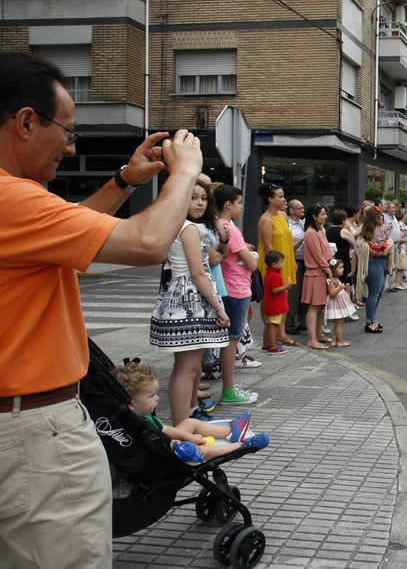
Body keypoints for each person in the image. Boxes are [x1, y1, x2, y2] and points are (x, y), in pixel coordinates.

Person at [0, 52, 209, 566]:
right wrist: (185, 173)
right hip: (34, 432)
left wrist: (124, 181)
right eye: (67, 132)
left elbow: (71, 233)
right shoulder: (13, 199)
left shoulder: (18, 210)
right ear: (26, 122)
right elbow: (147, 243)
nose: (71, 149)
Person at [150, 178, 232, 425]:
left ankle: (185, 420)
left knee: (188, 367)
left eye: (204, 198)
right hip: (190, 300)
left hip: (182, 298)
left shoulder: (181, 226)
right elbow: (198, 273)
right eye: (193, 197)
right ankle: (182, 424)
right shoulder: (188, 229)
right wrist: (219, 307)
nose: (199, 203)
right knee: (187, 369)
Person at [112, 362, 267, 459]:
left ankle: (230, 432)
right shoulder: (134, 425)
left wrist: (189, 437)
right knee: (203, 450)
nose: (157, 398)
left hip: (165, 443)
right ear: (132, 404)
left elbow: (166, 429)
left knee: (189, 422)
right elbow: (148, 449)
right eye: (151, 396)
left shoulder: (144, 416)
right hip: (166, 455)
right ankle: (243, 445)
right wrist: (179, 443)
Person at [214, 185, 269, 387]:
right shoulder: (230, 229)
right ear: (228, 205)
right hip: (236, 287)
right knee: (232, 339)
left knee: (227, 339)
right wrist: (250, 255)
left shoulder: (216, 225)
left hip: (226, 286)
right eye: (239, 203)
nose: (241, 207)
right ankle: (229, 388)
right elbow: (252, 264)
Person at [257, 183, 298, 348]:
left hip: (285, 261)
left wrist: (292, 261)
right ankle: (271, 333)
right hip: (272, 264)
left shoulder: (282, 216)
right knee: (270, 298)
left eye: (283, 196)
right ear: (270, 199)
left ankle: (281, 333)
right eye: (280, 196)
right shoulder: (265, 219)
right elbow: (268, 247)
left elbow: (288, 240)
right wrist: (276, 266)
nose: (283, 199)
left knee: (283, 297)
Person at [354, 206, 394, 333]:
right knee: (374, 292)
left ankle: (372, 319)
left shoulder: (381, 227)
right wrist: (377, 253)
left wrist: (386, 249)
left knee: (380, 291)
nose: (381, 217)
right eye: (378, 215)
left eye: (381, 215)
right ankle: (369, 322)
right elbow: (360, 244)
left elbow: (388, 240)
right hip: (373, 261)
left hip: (382, 259)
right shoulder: (365, 228)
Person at [302, 203, 333, 349]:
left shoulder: (320, 230)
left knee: (320, 306)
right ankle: (312, 339)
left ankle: (319, 334)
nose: (325, 217)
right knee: (314, 307)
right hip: (315, 274)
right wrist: (329, 271)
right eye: (322, 214)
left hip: (321, 273)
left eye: (325, 214)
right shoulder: (311, 233)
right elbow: (318, 256)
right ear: (314, 217)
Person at [261, 250, 292, 354]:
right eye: (281, 262)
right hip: (274, 305)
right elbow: (275, 290)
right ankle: (273, 347)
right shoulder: (275, 275)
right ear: (274, 264)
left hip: (270, 304)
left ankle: (266, 344)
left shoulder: (269, 273)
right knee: (273, 326)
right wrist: (286, 287)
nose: (283, 263)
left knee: (269, 325)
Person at [285, 198, 307, 334]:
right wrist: (302, 240)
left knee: (303, 293)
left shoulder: (303, 223)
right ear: (292, 210)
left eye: (303, 208)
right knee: (293, 294)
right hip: (294, 260)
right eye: (299, 208)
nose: (302, 210)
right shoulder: (287, 225)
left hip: (306, 261)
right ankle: (289, 324)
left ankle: (302, 321)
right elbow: (287, 247)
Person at [325, 260, 353, 348]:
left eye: (342, 267)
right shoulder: (331, 282)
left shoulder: (336, 280)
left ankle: (334, 341)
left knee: (337, 324)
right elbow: (332, 294)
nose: (343, 269)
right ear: (333, 270)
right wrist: (340, 288)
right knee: (339, 324)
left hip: (338, 304)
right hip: (336, 306)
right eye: (340, 267)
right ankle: (340, 341)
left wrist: (345, 289)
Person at [391, 211, 407, 288]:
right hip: (401, 248)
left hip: (405, 248)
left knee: (402, 267)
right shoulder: (400, 225)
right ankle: (397, 283)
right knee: (400, 266)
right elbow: (399, 238)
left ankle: (400, 282)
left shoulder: (402, 224)